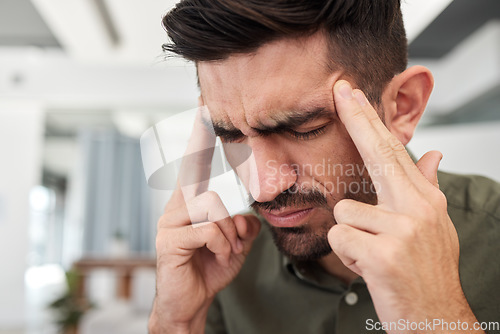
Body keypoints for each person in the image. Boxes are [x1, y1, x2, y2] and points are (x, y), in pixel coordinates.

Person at [148, 1, 500, 333]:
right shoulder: (221, 265)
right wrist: (175, 322)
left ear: (402, 106)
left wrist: (437, 315)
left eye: (304, 129)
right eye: (231, 135)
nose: (262, 188)